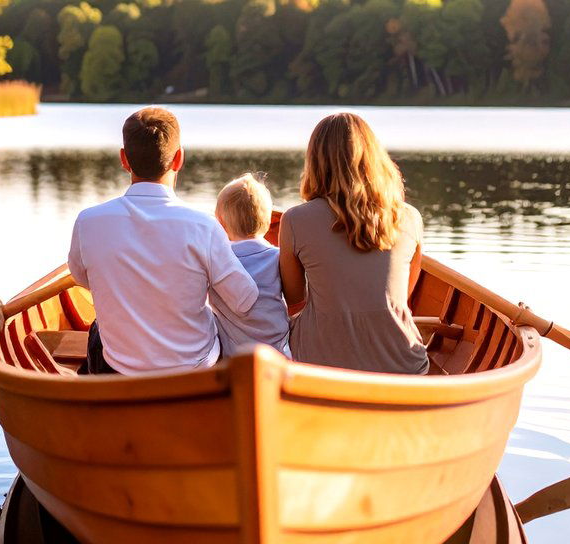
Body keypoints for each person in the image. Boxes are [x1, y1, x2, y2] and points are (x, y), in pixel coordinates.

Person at [67, 107, 259, 374]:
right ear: (179, 158)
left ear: (124, 159)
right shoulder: (204, 227)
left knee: (97, 327)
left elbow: (80, 278)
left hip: (118, 370)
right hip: (193, 372)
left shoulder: (88, 222)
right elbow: (245, 301)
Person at [278, 112, 430, 375]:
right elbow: (403, 297)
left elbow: (294, 299)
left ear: (314, 161)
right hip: (404, 366)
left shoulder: (294, 220)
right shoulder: (410, 217)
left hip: (321, 364)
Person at [210, 174, 290, 358]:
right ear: (269, 221)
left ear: (220, 223)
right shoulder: (278, 258)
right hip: (276, 350)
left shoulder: (217, 261)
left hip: (234, 355)